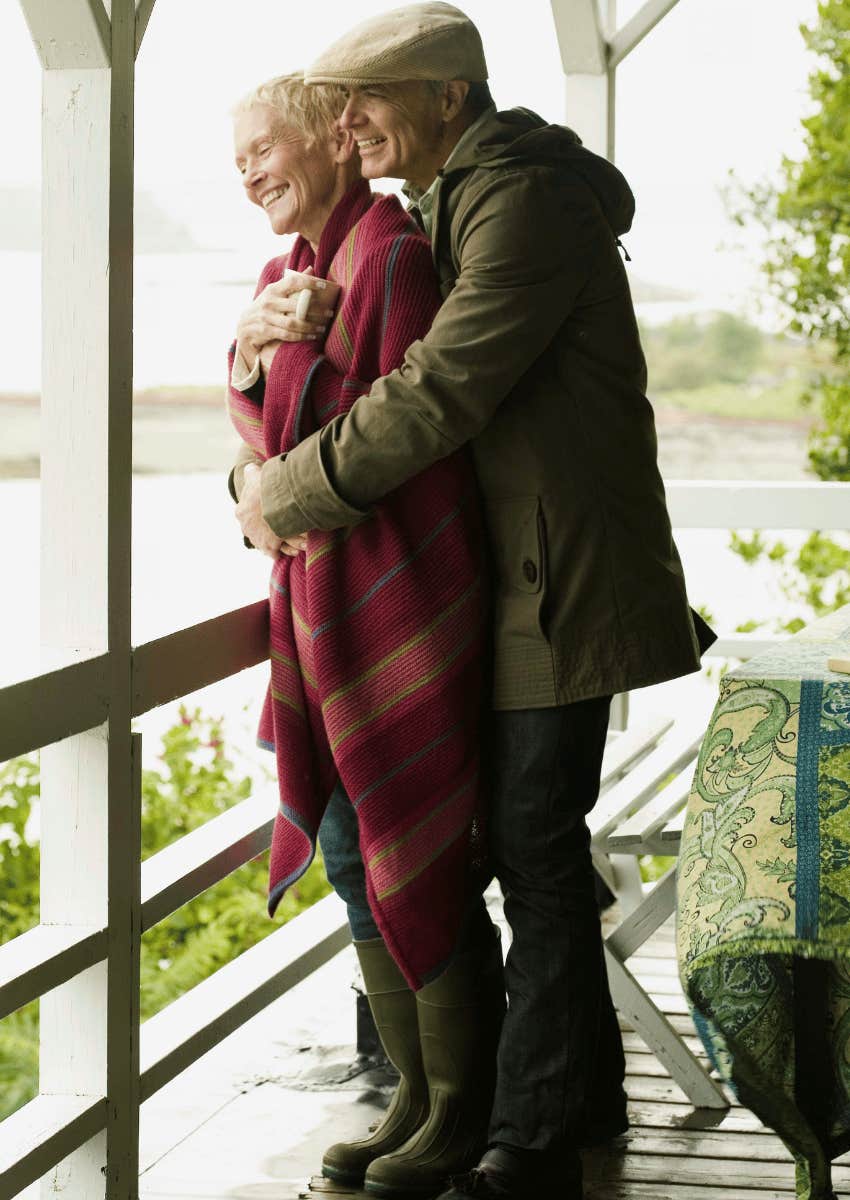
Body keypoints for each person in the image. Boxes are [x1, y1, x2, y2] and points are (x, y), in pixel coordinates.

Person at [233, 8, 717, 1199]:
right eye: (336, 112)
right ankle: (556, 1095)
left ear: (449, 97)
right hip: (514, 580)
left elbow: (439, 390)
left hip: (563, 586)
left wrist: (280, 493)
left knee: (532, 851)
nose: (348, 132)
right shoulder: (451, 202)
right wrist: (256, 357)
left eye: (366, 106)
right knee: (517, 845)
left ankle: (529, 1131)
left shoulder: (521, 206)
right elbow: (364, 379)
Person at [227, 71, 505, 1197]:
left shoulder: (390, 256)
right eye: (235, 160)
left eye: (263, 148)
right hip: (319, 601)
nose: (248, 172)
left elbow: (403, 437)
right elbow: (256, 444)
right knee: (355, 854)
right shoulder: (287, 274)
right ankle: (412, 1096)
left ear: (332, 144)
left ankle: (455, 1112)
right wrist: (251, 351)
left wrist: (305, 374)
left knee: (416, 844)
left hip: (399, 590)